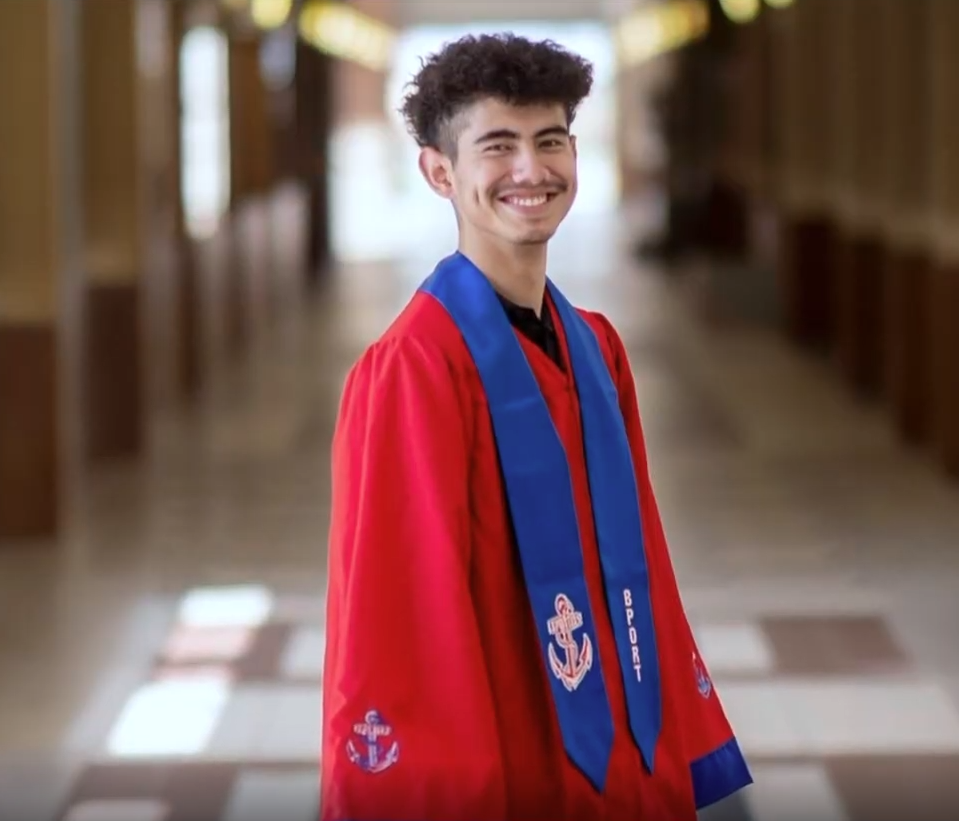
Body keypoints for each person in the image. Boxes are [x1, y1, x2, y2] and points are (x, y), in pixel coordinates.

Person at [321, 33, 752, 821]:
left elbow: (641, 564)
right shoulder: (412, 371)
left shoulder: (596, 348)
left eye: (548, 141)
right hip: (512, 762)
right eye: (498, 145)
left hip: (623, 760)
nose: (530, 170)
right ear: (439, 171)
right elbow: (403, 619)